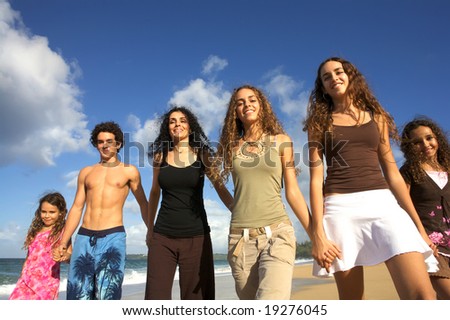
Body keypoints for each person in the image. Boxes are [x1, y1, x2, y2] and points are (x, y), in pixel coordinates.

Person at [303, 56, 438, 300]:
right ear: (322, 88)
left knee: (423, 296)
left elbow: (393, 174)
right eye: (326, 77)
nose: (334, 78)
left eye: (338, 72)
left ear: (350, 76)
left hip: (383, 205)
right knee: (353, 303)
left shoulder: (377, 118)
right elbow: (315, 179)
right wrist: (318, 235)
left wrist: (419, 228)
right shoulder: (318, 124)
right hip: (339, 210)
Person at [215, 84, 311, 300]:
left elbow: (293, 192)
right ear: (235, 112)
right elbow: (216, 180)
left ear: (262, 106)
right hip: (240, 241)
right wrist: (234, 206)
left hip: (277, 234)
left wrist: (316, 235)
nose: (246, 104)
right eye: (240, 103)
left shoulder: (282, 141)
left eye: (251, 100)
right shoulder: (231, 148)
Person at [145, 106, 233, 300]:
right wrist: (150, 229)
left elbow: (220, 187)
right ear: (167, 128)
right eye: (172, 121)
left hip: (196, 236)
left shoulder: (202, 155)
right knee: (155, 297)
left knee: (195, 300)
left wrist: (237, 209)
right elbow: (154, 193)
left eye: (182, 120)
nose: (177, 124)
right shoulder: (160, 157)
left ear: (190, 127)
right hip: (163, 237)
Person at [58, 121, 148, 300]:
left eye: (109, 141)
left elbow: (143, 204)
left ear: (118, 144)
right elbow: (77, 207)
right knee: (77, 294)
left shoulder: (129, 171)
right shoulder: (86, 172)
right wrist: (64, 240)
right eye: (100, 142)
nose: (104, 145)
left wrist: (151, 232)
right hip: (84, 237)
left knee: (108, 294)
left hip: (113, 237)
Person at [400, 117, 450, 299]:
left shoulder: (448, 167)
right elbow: (401, 207)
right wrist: (420, 239)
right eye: (417, 142)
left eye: (429, 138)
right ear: (409, 147)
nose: (425, 144)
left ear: (437, 138)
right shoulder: (407, 172)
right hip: (431, 247)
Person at [9, 192, 71, 300]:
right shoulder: (35, 231)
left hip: (47, 283)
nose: (47, 216)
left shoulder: (62, 232)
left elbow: (69, 255)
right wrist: (22, 276)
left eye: (52, 212)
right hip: (26, 280)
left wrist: (64, 255)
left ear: (61, 213)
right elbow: (29, 257)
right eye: (43, 212)